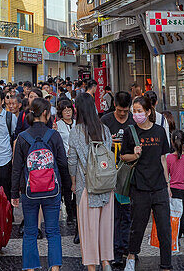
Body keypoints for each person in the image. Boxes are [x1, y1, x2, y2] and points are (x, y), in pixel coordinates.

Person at [11, 97, 68, 271]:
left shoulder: (22, 137)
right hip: (52, 190)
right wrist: (65, 190)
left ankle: (30, 268)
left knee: (30, 231)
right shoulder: (54, 135)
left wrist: (14, 193)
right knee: (53, 231)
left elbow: (17, 168)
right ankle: (55, 268)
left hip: (29, 191)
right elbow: (63, 163)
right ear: (45, 113)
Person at [120, 95, 172, 271]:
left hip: (159, 186)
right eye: (134, 111)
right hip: (139, 186)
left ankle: (166, 264)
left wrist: (168, 184)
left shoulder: (159, 131)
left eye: (139, 111)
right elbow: (123, 157)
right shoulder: (130, 132)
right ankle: (131, 255)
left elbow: (163, 158)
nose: (136, 114)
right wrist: (134, 155)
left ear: (149, 112)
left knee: (165, 228)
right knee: (137, 226)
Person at [68, 94, 115, 271]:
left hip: (86, 186)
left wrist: (73, 182)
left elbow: (72, 161)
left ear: (78, 109)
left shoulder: (76, 131)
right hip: (106, 185)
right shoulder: (104, 129)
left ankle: (91, 266)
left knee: (89, 229)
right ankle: (106, 262)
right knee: (105, 226)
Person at [101, 91, 133, 268]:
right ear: (114, 105)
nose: (122, 114)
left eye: (125, 111)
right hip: (108, 176)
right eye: (120, 110)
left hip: (128, 176)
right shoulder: (105, 121)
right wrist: (109, 143)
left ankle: (128, 249)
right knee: (112, 216)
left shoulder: (133, 121)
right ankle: (114, 251)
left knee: (127, 214)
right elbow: (96, 144)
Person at [53, 98, 77, 238]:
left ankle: (75, 207)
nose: (67, 111)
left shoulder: (77, 124)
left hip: (77, 160)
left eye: (69, 109)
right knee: (68, 187)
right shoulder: (58, 125)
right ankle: (69, 211)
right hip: (64, 161)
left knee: (78, 186)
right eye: (65, 109)